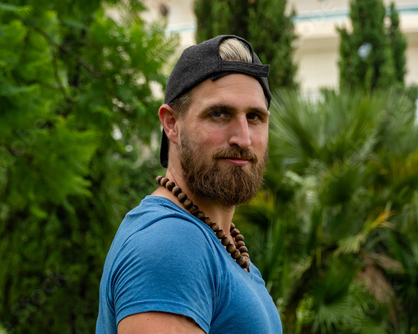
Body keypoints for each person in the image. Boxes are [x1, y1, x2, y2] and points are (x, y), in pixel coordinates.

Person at [96, 35, 282, 334]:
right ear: (171, 123)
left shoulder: (218, 243)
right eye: (219, 114)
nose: (243, 138)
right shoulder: (170, 244)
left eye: (255, 117)